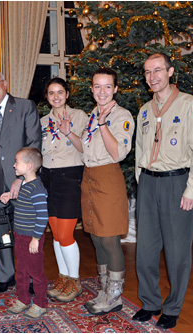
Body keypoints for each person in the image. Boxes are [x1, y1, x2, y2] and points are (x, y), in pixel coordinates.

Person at [132, 53, 193, 329]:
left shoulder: (189, 105)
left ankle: (173, 306)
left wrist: (191, 190)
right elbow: (140, 150)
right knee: (146, 250)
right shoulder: (144, 110)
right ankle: (150, 302)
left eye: (158, 70)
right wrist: (143, 181)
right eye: (148, 72)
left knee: (177, 252)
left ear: (170, 72)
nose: (153, 77)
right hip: (149, 184)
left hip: (177, 183)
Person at [0, 70, 42, 293]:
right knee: (2, 231)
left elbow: (34, 145)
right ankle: (7, 276)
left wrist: (21, 179)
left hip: (24, 185)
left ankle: (30, 278)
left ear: (5, 83)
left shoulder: (25, 107)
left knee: (24, 233)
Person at [76, 68, 134, 315]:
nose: (102, 91)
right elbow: (86, 150)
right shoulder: (93, 114)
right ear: (91, 89)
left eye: (107, 86)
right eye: (97, 86)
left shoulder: (121, 115)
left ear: (116, 89)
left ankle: (115, 295)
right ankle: (104, 288)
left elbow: (117, 153)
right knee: (96, 236)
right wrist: (70, 133)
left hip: (108, 177)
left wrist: (102, 123)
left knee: (110, 239)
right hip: (90, 177)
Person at [39, 78, 88, 302]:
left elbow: (85, 149)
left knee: (66, 234)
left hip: (70, 176)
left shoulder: (79, 116)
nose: (56, 96)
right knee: (56, 235)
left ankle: (75, 281)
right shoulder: (41, 122)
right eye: (51, 93)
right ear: (47, 97)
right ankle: (64, 277)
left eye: (60, 92)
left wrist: (68, 132)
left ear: (67, 94)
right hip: (48, 177)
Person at [2, 147, 49, 319]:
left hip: (31, 237)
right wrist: (9, 196)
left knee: (35, 272)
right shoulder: (25, 184)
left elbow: (42, 216)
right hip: (20, 236)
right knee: (21, 270)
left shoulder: (37, 188)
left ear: (29, 166)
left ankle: (40, 303)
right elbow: (24, 202)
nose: (14, 165)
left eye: (17, 162)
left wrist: (36, 238)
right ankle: (23, 299)